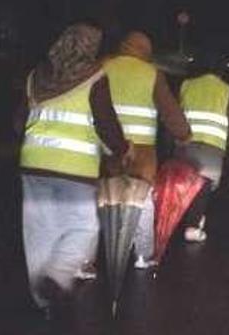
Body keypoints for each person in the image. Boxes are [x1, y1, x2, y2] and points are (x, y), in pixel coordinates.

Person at [17, 23, 133, 322]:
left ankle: (42, 303)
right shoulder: (94, 76)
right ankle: (57, 277)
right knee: (84, 227)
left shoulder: (35, 76)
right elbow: (105, 123)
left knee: (39, 232)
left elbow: (18, 123)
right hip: (74, 167)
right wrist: (122, 149)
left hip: (33, 164)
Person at [102, 31, 191, 268]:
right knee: (141, 201)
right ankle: (142, 255)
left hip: (109, 147)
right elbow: (169, 111)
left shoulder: (104, 66)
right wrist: (183, 134)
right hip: (142, 151)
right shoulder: (151, 74)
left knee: (108, 196)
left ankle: (105, 249)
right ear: (146, 52)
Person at [176, 57, 229, 242]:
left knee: (182, 183)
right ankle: (192, 226)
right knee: (203, 185)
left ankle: (179, 220)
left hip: (185, 146)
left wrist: (172, 145)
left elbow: (174, 114)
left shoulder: (186, 85)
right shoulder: (227, 91)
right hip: (212, 148)